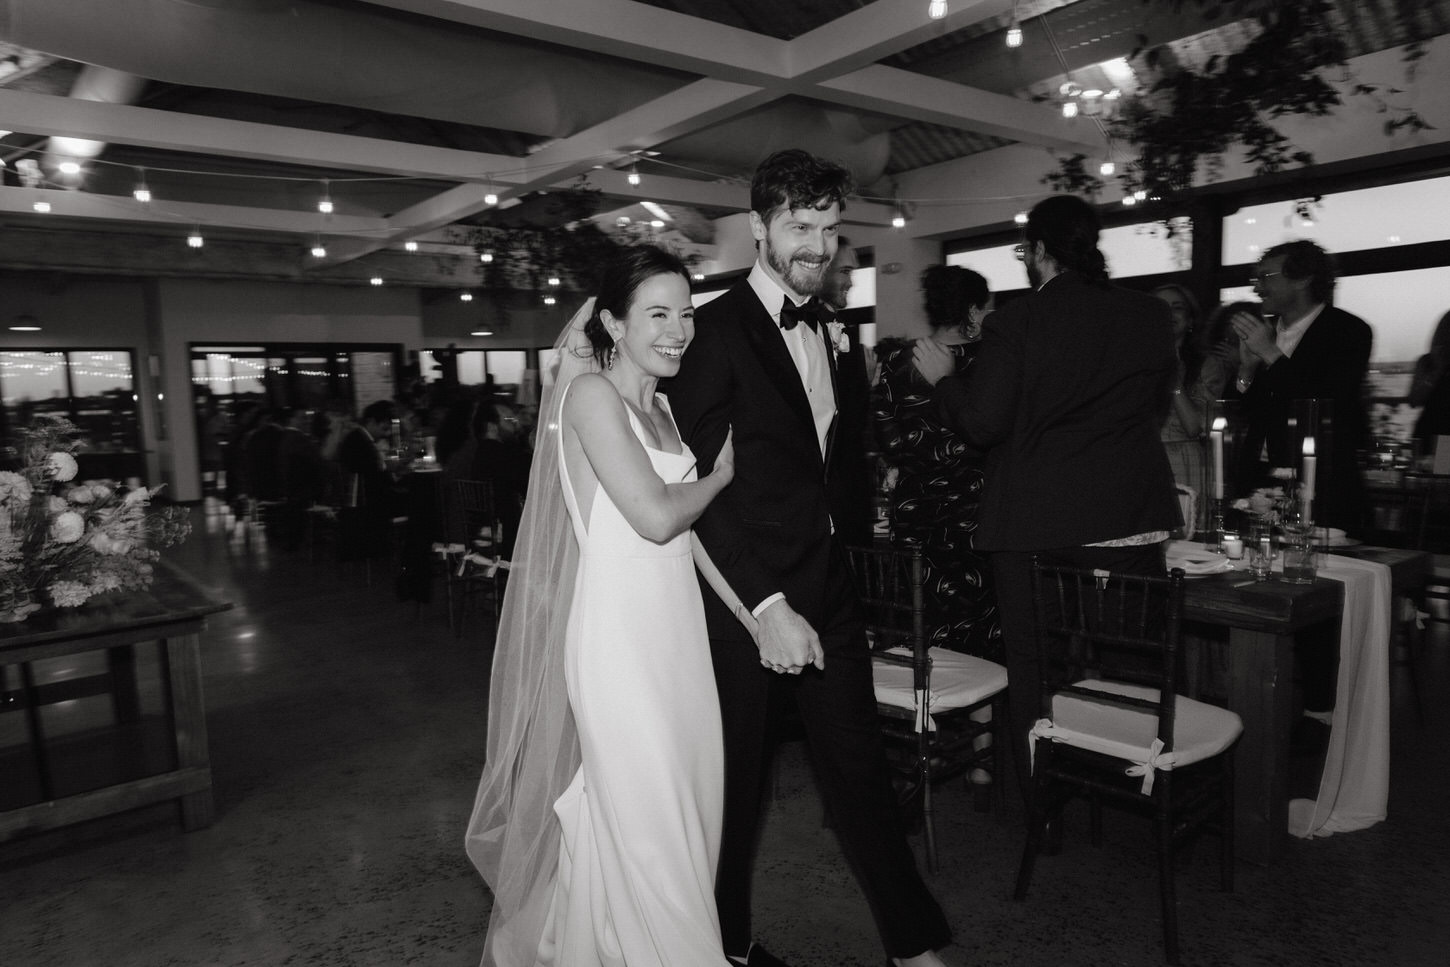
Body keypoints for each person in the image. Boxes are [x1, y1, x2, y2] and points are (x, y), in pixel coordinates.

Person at [667, 148, 955, 967]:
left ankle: (914, 941)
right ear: (758, 226)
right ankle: (723, 946)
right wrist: (764, 604)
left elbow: (835, 461)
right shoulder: (712, 334)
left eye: (829, 229)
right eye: (800, 227)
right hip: (743, 603)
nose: (817, 247)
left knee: (863, 771)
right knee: (738, 791)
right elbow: (700, 492)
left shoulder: (836, 327)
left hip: (828, 589)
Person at [465, 244, 747, 967]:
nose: (678, 329)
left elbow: (685, 540)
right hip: (619, 638)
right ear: (614, 324)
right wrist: (718, 479)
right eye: (657, 313)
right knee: (649, 818)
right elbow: (656, 515)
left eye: (685, 314)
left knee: (679, 810)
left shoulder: (663, 409)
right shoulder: (591, 397)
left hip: (678, 637)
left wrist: (754, 614)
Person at [913, 194, 1180, 806]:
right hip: (1130, 517)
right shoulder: (1149, 316)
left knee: (1036, 668)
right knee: (1131, 663)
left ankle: (1044, 802)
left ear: (1037, 252)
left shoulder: (1018, 321)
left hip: (1037, 524)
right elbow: (1151, 405)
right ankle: (1131, 781)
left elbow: (983, 423)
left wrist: (944, 383)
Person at [873, 265, 999, 659]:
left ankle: (925, 709)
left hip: (917, 512)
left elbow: (887, 438)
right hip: (977, 514)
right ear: (975, 311)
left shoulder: (897, 359)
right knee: (980, 622)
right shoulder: (994, 363)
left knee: (920, 618)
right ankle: (982, 707)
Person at [1231, 240, 1372, 535]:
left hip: (1321, 484)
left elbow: (1324, 399)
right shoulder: (1266, 333)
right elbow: (1241, 412)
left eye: (1266, 278)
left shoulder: (1348, 331)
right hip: (1258, 484)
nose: (1257, 288)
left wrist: (1270, 354)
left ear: (1303, 279)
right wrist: (1246, 369)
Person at [1154, 283, 1208, 524]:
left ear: (1190, 319)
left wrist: (1175, 382)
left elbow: (1195, 426)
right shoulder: (1129, 360)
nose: (1168, 314)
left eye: (1177, 308)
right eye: (1160, 308)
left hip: (1184, 458)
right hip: (1144, 457)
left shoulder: (1206, 364)